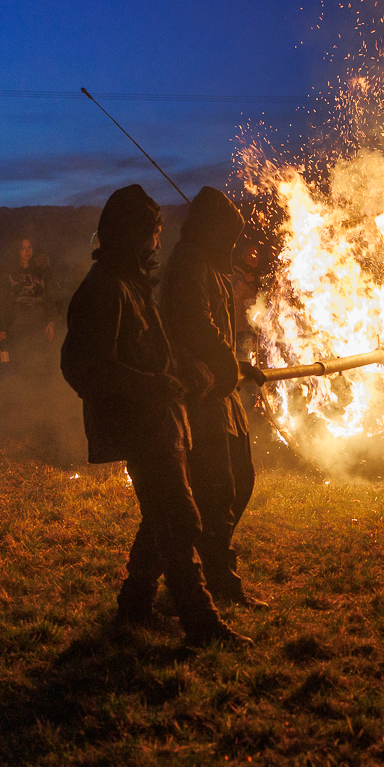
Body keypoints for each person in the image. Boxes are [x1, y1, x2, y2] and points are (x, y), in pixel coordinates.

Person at [60, 184, 250, 647]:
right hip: (138, 423)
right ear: (130, 233)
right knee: (180, 520)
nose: (158, 241)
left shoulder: (131, 285)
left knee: (162, 519)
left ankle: (135, 605)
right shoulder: (104, 290)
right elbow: (86, 368)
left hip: (161, 421)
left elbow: (159, 350)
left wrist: (192, 372)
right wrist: (155, 386)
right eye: (152, 232)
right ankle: (201, 624)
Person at [160, 187, 267, 607]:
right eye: (227, 235)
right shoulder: (189, 261)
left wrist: (238, 366)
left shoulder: (207, 262)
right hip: (200, 393)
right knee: (216, 490)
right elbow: (194, 324)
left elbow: (216, 332)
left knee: (240, 479)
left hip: (221, 390)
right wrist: (227, 364)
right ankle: (213, 579)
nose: (232, 245)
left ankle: (210, 571)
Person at [2, 236, 59, 376]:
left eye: (29, 248)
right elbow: (3, 302)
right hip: (18, 326)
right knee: (20, 363)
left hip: (38, 324)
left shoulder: (39, 272)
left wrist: (51, 321)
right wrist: (2, 327)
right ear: (16, 251)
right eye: (23, 248)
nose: (27, 251)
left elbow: (49, 299)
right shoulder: (9, 273)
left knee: (39, 362)